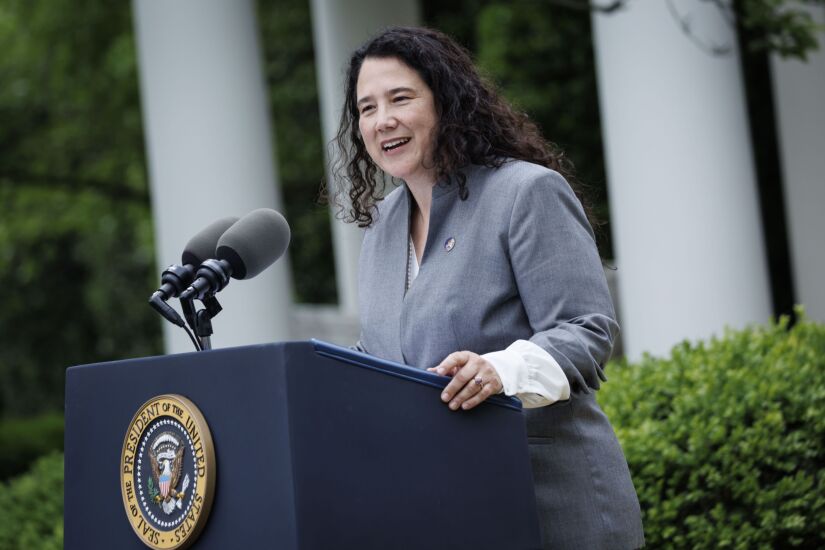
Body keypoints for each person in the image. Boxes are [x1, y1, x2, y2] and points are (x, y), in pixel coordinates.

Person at [329, 26, 645, 549]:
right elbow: (383, 356)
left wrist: (499, 369)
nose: (382, 120)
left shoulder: (526, 192)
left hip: (552, 510)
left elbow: (587, 331)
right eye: (366, 108)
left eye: (400, 98)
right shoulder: (382, 225)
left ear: (446, 101)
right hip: (445, 513)